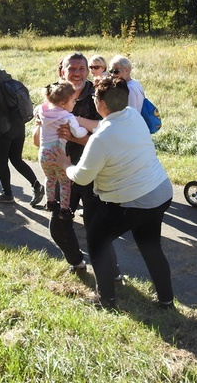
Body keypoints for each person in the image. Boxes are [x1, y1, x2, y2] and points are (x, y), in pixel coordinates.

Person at [53, 77, 174, 310]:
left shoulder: (101, 139)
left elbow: (83, 177)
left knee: (97, 239)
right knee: (150, 245)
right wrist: (77, 130)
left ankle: (106, 300)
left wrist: (66, 164)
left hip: (132, 200)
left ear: (101, 104)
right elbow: (105, 126)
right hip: (159, 192)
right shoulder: (132, 115)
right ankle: (166, 301)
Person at [51, 53, 121, 278]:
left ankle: (112, 273)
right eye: (72, 68)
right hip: (64, 171)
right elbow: (39, 136)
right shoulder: (54, 95)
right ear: (62, 70)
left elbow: (108, 137)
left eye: (82, 68)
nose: (78, 73)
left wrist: (73, 137)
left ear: (88, 71)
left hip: (93, 171)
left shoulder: (98, 95)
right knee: (59, 225)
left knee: (95, 228)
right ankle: (77, 263)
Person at [0, 53, 44, 205]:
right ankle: (36, 185)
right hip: (18, 126)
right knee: (17, 159)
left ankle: (7, 195)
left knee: (2, 162)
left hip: (1, 129)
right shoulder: (6, 78)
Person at [36, 81, 88, 222]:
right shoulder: (67, 117)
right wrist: (84, 129)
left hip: (43, 153)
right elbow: (78, 133)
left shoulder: (43, 110)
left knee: (50, 179)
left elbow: (38, 109)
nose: (75, 103)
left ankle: (50, 201)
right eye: (73, 100)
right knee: (64, 183)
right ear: (64, 103)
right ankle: (65, 209)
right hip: (59, 153)